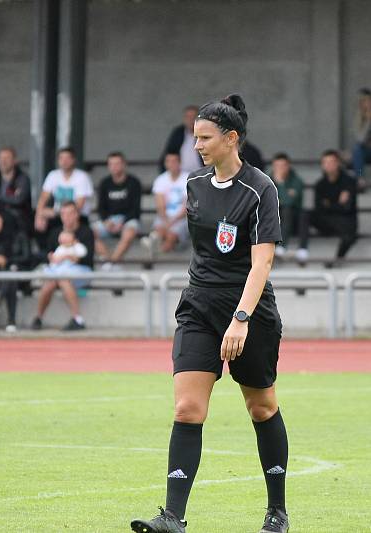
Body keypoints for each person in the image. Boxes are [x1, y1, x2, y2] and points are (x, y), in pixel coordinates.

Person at [130, 95, 289, 533]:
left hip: (247, 310)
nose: (196, 145)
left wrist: (241, 318)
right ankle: (172, 518)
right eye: (195, 137)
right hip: (199, 305)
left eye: (204, 137)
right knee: (186, 408)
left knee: (261, 407)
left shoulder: (261, 189)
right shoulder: (195, 185)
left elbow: (262, 263)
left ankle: (277, 513)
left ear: (230, 138)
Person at [31, 202, 95, 332]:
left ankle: (78, 319)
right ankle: (38, 317)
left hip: (82, 271)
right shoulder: (55, 232)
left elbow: (87, 257)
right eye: (63, 214)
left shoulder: (86, 232)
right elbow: (48, 253)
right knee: (50, 282)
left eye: (70, 213)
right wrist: (51, 257)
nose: (66, 217)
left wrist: (70, 257)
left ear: (76, 214)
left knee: (63, 279)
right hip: (59, 271)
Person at [294, 150, 358, 263]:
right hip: (327, 221)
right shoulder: (320, 184)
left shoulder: (349, 181)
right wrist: (337, 204)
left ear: (338, 163)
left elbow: (347, 208)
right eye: (326, 162)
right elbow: (319, 208)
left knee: (350, 235)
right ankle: (302, 250)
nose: (329, 165)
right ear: (322, 165)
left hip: (345, 222)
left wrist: (329, 204)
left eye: (332, 162)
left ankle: (338, 259)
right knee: (305, 213)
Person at [35, 147, 94, 251]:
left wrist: (61, 214)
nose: (64, 161)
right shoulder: (53, 175)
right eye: (61, 158)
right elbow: (43, 198)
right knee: (37, 222)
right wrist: (39, 216)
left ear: (73, 160)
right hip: (58, 215)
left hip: (78, 216)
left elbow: (78, 206)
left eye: (67, 158)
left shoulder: (81, 176)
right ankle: (46, 256)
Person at [92, 152, 143, 269]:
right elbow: (101, 208)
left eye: (117, 163)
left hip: (129, 219)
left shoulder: (134, 182)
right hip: (109, 220)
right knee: (89, 232)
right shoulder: (104, 183)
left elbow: (135, 209)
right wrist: (106, 221)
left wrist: (123, 222)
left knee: (130, 231)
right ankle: (108, 259)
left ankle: (112, 262)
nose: (114, 167)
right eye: (111, 164)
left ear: (124, 165)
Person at [0, 211, 32, 332]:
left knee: (11, 273)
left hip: (21, 275)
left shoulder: (20, 235)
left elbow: (27, 258)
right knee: (9, 278)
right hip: (4, 276)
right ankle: (11, 320)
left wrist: (7, 260)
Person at [142, 152, 189, 256]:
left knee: (171, 236)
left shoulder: (188, 178)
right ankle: (154, 247)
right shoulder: (160, 179)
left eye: (174, 161)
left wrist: (172, 221)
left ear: (180, 163)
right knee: (158, 231)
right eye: (168, 161)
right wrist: (166, 220)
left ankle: (155, 251)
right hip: (164, 217)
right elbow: (160, 205)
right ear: (165, 164)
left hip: (183, 217)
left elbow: (187, 206)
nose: (171, 164)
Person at [267, 153, 304, 257]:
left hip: (293, 216)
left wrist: (281, 184)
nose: (280, 169)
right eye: (277, 166)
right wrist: (285, 195)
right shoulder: (266, 180)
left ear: (288, 166)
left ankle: (282, 246)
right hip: (272, 215)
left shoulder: (296, 180)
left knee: (287, 210)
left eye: (283, 166)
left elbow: (289, 202)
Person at [160, 105, 202, 174]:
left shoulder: (206, 133)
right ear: (184, 119)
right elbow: (169, 153)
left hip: (201, 175)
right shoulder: (178, 133)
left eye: (193, 117)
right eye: (188, 117)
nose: (190, 120)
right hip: (181, 176)